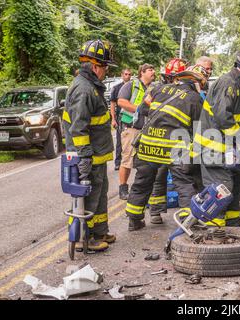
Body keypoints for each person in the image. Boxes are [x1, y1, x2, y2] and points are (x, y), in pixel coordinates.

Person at [125, 66, 208, 231]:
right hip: (173, 149)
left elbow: (142, 109)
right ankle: (188, 222)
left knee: (142, 182)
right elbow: (199, 128)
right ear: (196, 82)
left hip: (148, 146)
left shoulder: (159, 89)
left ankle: (134, 220)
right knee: (184, 183)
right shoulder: (195, 98)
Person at [193, 53, 240, 227]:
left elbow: (238, 118)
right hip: (212, 148)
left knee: (232, 187)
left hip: (226, 149)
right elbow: (223, 116)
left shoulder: (236, 85)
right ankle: (215, 232)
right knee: (220, 188)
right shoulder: (228, 83)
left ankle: (234, 225)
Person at [62, 39, 117, 251]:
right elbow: (78, 128)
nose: (106, 72)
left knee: (100, 193)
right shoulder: (84, 90)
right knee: (90, 196)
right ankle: (87, 239)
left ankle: (100, 231)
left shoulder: (92, 86)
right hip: (89, 155)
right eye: (105, 67)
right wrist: (84, 156)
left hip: (98, 154)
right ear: (95, 66)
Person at [117, 63, 155, 200]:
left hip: (146, 130)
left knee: (144, 161)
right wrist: (138, 109)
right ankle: (123, 188)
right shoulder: (131, 85)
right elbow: (121, 101)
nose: (153, 72)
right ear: (142, 72)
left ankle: (140, 189)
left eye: (153, 70)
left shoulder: (153, 88)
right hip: (131, 128)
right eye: (150, 70)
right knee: (127, 160)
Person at [110, 68, 132, 170]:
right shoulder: (116, 88)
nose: (128, 76)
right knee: (119, 142)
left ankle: (130, 162)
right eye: (126, 74)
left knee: (131, 141)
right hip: (120, 118)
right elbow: (113, 105)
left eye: (129, 74)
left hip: (131, 118)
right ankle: (118, 162)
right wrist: (113, 119)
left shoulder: (133, 88)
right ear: (122, 75)